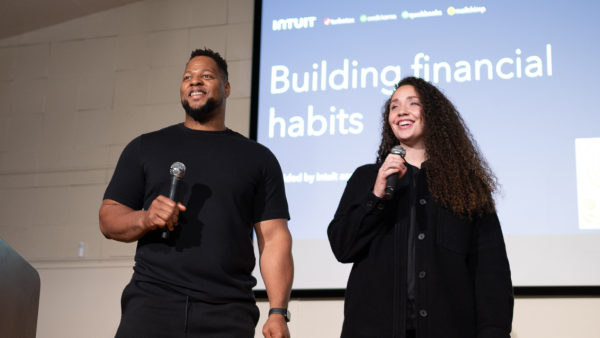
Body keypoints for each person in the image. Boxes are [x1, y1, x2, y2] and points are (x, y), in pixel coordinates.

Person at [99, 48, 293, 338]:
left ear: (226, 87)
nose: (195, 82)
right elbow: (108, 218)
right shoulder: (145, 147)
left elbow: (274, 239)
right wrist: (145, 218)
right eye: (188, 77)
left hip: (228, 312)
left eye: (206, 76)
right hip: (152, 304)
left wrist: (278, 312)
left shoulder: (258, 158)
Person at [327, 77, 513, 338]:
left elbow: (491, 271)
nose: (401, 111)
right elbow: (342, 247)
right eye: (394, 106)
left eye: (413, 103)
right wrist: (376, 194)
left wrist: (495, 332)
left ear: (433, 114)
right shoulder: (367, 178)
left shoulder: (466, 183)